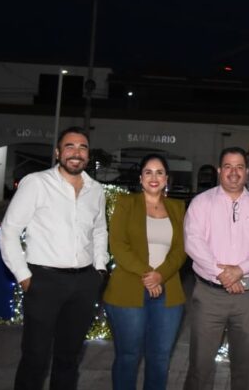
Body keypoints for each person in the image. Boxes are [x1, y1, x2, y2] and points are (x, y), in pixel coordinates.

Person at [0, 127, 109, 390]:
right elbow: (9, 231)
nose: (76, 152)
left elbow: (100, 230)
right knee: (35, 357)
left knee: (68, 358)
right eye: (69, 146)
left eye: (82, 147)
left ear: (88, 154)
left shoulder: (96, 190)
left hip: (84, 283)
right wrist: (25, 277)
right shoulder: (36, 183)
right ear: (58, 152)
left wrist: (100, 269)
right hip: (43, 281)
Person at [183, 146, 249, 390]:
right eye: (227, 167)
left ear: (247, 172)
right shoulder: (201, 203)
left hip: (245, 296)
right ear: (219, 171)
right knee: (200, 364)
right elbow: (193, 242)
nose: (233, 173)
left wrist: (239, 271)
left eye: (239, 167)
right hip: (208, 295)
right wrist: (223, 273)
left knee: (244, 365)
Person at [103, 153, 187, 390]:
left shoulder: (178, 207)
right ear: (140, 178)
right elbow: (118, 245)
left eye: (159, 172)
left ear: (166, 178)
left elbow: (182, 249)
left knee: (159, 360)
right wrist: (149, 275)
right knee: (128, 357)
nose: (154, 177)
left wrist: (161, 275)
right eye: (148, 172)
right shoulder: (125, 203)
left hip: (168, 293)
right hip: (127, 292)